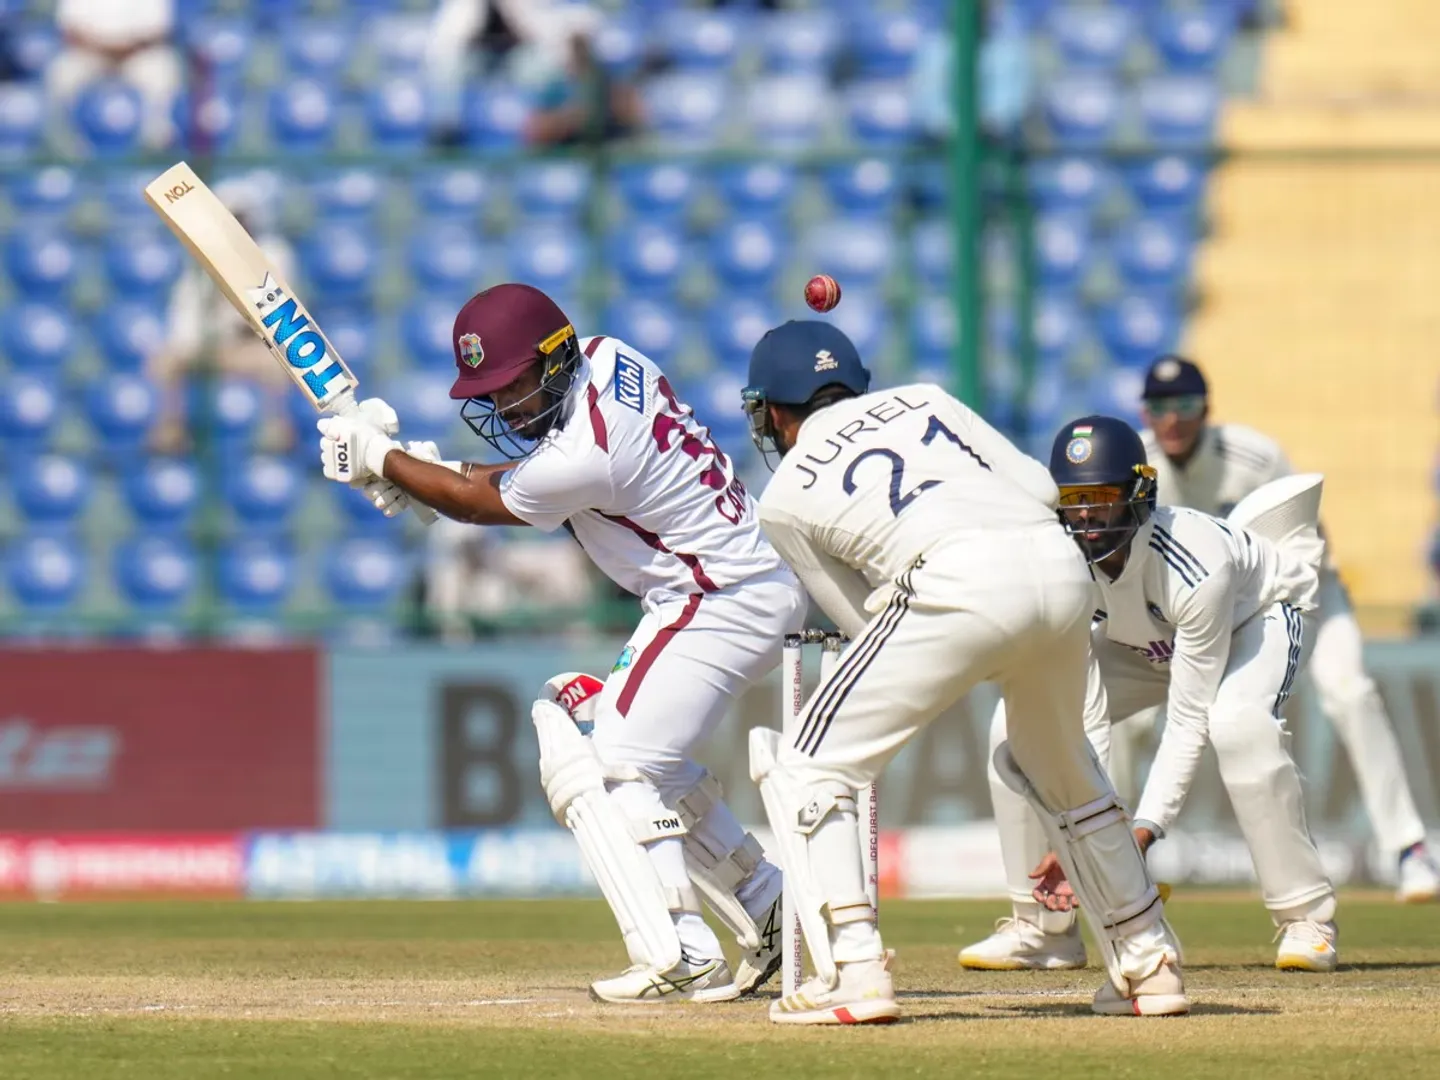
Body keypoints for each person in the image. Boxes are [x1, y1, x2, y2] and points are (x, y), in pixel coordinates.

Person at [311, 283, 803, 1004]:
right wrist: (414, 467)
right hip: (733, 587)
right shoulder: (611, 359)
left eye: (515, 386)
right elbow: (494, 483)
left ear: (557, 357)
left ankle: (679, 951)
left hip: (717, 598)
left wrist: (387, 463)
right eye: (494, 394)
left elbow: (485, 500)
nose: (508, 408)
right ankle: (771, 908)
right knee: (604, 734)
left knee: (614, 760)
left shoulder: (591, 448)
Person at [742, 323, 1187, 1025]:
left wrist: (961, 635)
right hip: (1056, 564)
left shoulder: (783, 498)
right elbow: (1044, 489)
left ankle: (855, 971)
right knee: (1064, 769)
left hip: (952, 578)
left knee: (805, 765)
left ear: (772, 410)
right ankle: (1148, 963)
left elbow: (862, 619)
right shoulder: (926, 399)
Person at [961, 415, 1341, 974]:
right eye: (1074, 498)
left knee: (1237, 724)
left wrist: (1139, 832)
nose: (1087, 515)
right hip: (1147, 643)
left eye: (1102, 497)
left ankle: (1307, 917)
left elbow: (1189, 720)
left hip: (1251, 621)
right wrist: (1084, 841)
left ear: (1139, 494)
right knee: (1014, 727)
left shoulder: (1194, 564)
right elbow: (1082, 722)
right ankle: (1043, 928)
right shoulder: (1062, 563)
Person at [1139, 355, 1439, 903]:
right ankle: (1115, 860)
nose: (1172, 419)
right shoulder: (1139, 464)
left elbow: (1305, 545)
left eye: (1183, 405)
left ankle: (1409, 850)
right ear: (1146, 412)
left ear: (1206, 408)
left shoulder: (1255, 457)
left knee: (1350, 692)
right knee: (1129, 718)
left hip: (1304, 589)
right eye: (1159, 408)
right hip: (1199, 610)